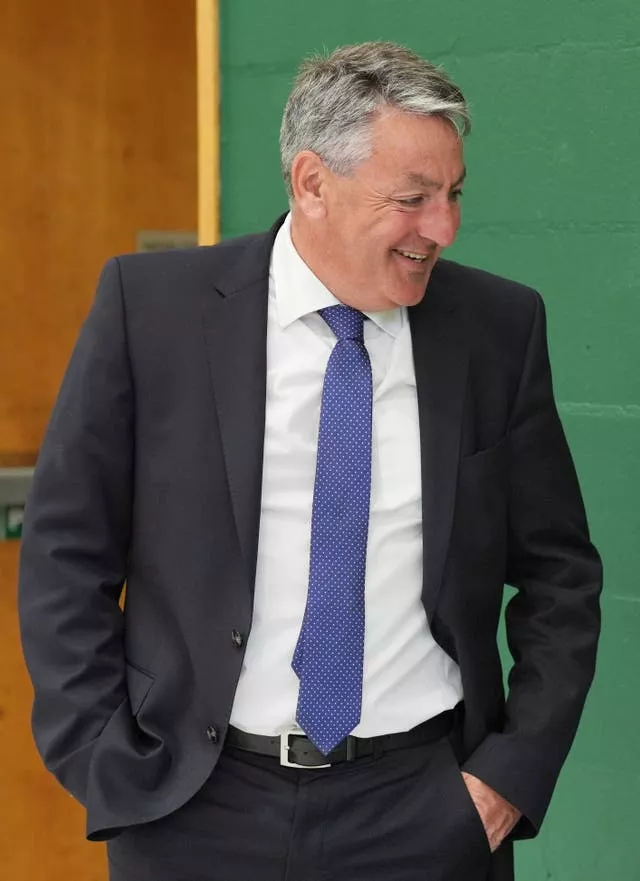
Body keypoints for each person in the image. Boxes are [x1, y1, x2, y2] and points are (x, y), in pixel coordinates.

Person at [18, 41, 602, 881]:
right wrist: (106, 761)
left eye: (452, 194)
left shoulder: (497, 329)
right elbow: (64, 557)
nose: (443, 226)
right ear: (312, 182)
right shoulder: (152, 314)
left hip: (426, 813)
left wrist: (506, 779)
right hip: (192, 809)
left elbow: (561, 574)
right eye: (413, 198)